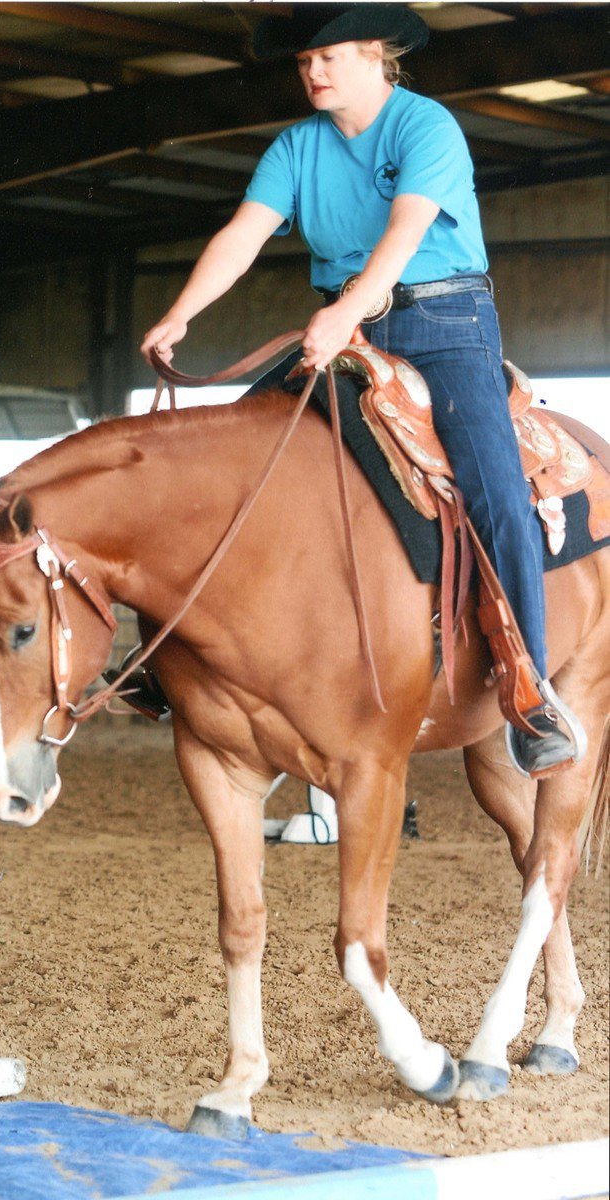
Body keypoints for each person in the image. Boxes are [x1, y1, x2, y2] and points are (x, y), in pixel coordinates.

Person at [140, 2, 583, 777]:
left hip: (444, 319)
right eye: (304, 61)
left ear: (377, 55)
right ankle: (177, 653)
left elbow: (405, 231)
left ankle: (528, 685)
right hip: (347, 319)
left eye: (328, 57)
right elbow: (243, 234)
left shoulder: (425, 126)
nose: (312, 72)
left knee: (492, 486)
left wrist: (346, 311)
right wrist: (178, 315)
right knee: (243, 453)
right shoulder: (295, 146)